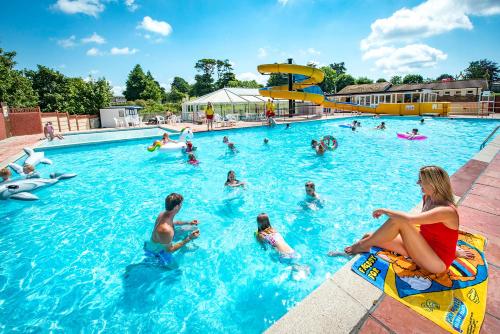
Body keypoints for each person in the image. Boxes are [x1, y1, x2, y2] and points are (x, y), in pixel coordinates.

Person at [344, 166, 459, 274]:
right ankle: (358, 249)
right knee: (368, 236)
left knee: (399, 221)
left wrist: (384, 211)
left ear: (432, 184)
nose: (418, 183)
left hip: (436, 262)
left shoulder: (447, 211)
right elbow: (445, 234)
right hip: (422, 247)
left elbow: (409, 219)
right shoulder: (428, 198)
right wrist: (454, 249)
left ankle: (359, 246)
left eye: (421, 180)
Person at [144, 193, 200, 264]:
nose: (181, 206)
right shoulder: (166, 230)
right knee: (176, 271)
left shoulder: (164, 214)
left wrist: (189, 222)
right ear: (176, 207)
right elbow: (170, 250)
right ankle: (183, 250)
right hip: (157, 252)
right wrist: (189, 238)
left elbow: (173, 222)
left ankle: (184, 244)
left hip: (161, 241)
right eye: (181, 204)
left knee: (191, 227)